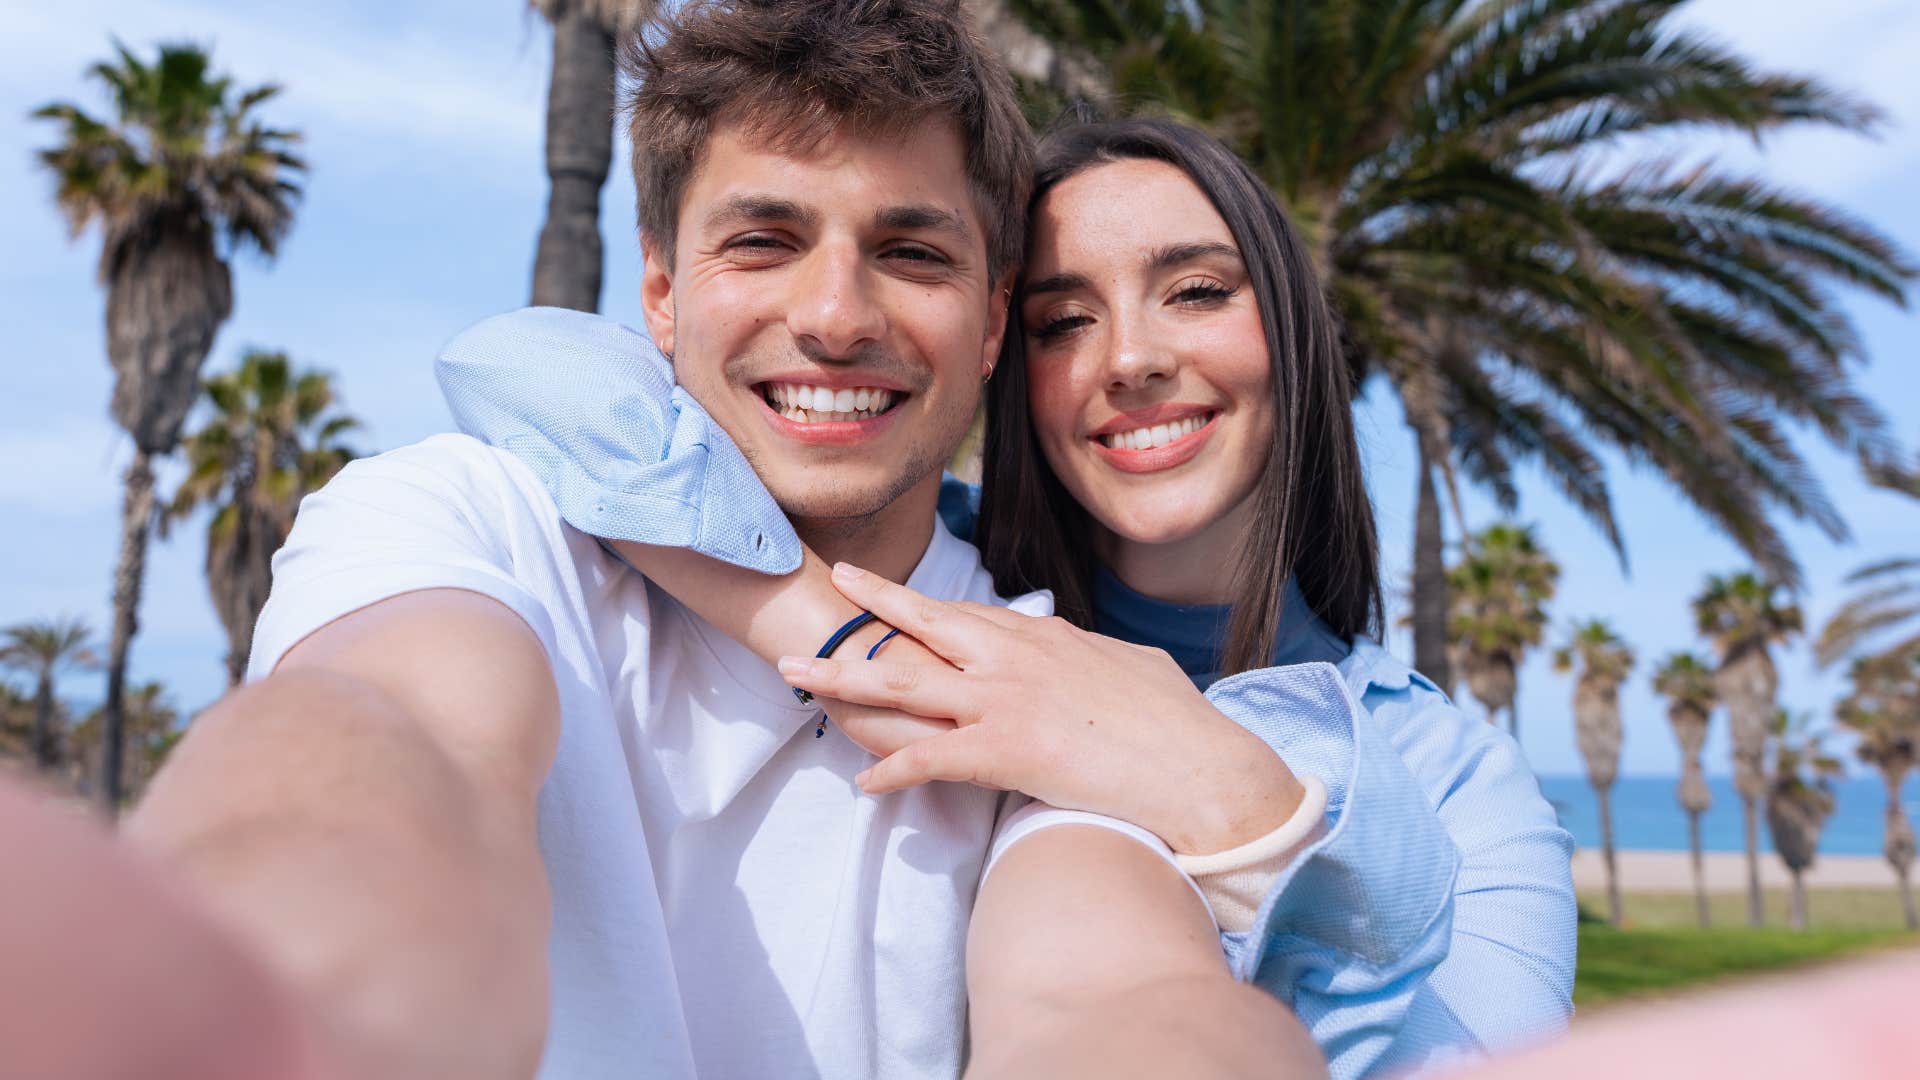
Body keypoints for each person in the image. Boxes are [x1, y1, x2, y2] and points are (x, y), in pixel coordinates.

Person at [116, 3, 1321, 1078]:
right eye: (763, 241)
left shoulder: (1033, 686)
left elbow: (1108, 993)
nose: (837, 317)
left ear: (995, 318)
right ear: (660, 292)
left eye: (911, 252)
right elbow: (397, 743)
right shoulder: (467, 521)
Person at [438, 120, 1576, 1075]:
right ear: (997, 350)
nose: (1129, 359)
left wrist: (1226, 791)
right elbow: (524, 366)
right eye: (1063, 321)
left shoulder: (1454, 778)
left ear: (1291, 330)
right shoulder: (934, 589)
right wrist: (828, 632)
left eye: (1194, 290)